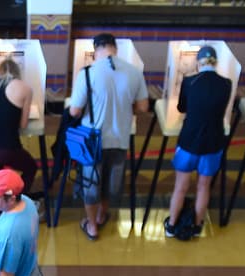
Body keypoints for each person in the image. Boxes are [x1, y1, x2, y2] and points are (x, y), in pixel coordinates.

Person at [67, 33, 148, 242]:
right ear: (115, 48)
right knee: (112, 182)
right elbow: (142, 107)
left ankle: (92, 226)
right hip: (120, 137)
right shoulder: (134, 72)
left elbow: (75, 111)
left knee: (90, 182)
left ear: (96, 50)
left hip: (92, 141)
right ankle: (103, 215)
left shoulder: (87, 73)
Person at [164, 45, 232, 239]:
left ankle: (172, 225)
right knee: (204, 186)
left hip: (188, 141)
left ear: (198, 62)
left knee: (181, 186)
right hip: (213, 142)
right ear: (216, 62)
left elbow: (182, 107)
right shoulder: (226, 84)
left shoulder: (189, 81)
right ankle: (196, 225)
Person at [0, 59, 38, 194]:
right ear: (17, 72)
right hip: (9, 149)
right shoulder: (25, 89)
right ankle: (18, 200)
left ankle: (3, 209)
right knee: (31, 168)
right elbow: (23, 124)